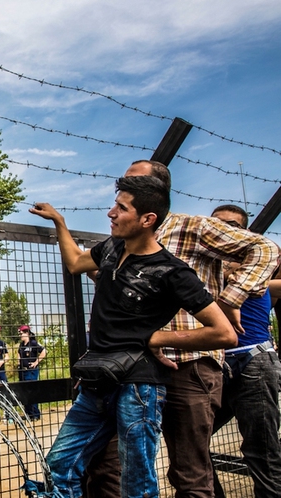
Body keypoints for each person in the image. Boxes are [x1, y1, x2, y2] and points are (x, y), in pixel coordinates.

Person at [29, 175, 236, 498]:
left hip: (138, 389)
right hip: (98, 384)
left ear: (147, 219)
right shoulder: (111, 249)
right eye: (115, 205)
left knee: (136, 482)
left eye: (122, 208)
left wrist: (158, 339)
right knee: (59, 468)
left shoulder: (172, 271)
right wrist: (60, 222)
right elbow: (75, 263)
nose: (111, 213)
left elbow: (223, 333)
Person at [114, 160, 279, 498]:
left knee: (255, 451)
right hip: (168, 361)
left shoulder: (217, 246)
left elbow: (265, 254)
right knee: (185, 455)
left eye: (232, 227)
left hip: (229, 359)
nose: (223, 230)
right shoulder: (137, 240)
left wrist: (232, 297)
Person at [209, 205, 281, 498]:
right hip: (217, 365)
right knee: (190, 441)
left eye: (232, 225)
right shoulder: (206, 263)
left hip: (253, 361)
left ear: (246, 232)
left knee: (261, 450)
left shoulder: (258, 260)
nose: (224, 229)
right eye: (216, 224)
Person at [16, 325, 46, 421]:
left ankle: (35, 414)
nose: (20, 335)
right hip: (22, 371)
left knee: (31, 391)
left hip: (31, 371)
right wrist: (18, 362)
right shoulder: (22, 345)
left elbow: (44, 351)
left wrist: (36, 362)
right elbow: (19, 353)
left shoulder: (33, 343)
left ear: (27, 333)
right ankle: (28, 413)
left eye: (21, 333)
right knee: (24, 392)